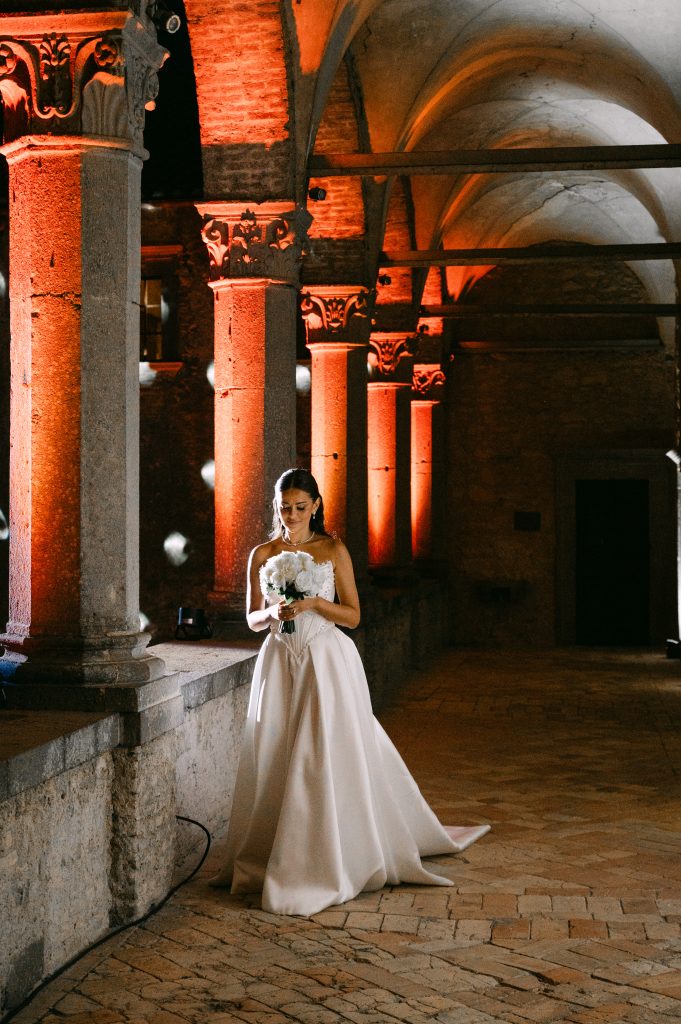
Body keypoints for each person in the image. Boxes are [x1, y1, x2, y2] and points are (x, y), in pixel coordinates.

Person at [211, 467, 489, 916]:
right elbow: (251, 619)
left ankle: (329, 854)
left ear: (316, 506)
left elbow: (354, 616)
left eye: (300, 507)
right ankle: (272, 850)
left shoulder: (333, 549)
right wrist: (274, 614)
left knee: (321, 752)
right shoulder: (262, 554)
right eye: (284, 508)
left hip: (325, 659)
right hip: (279, 662)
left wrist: (315, 604)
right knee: (277, 749)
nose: (291, 515)